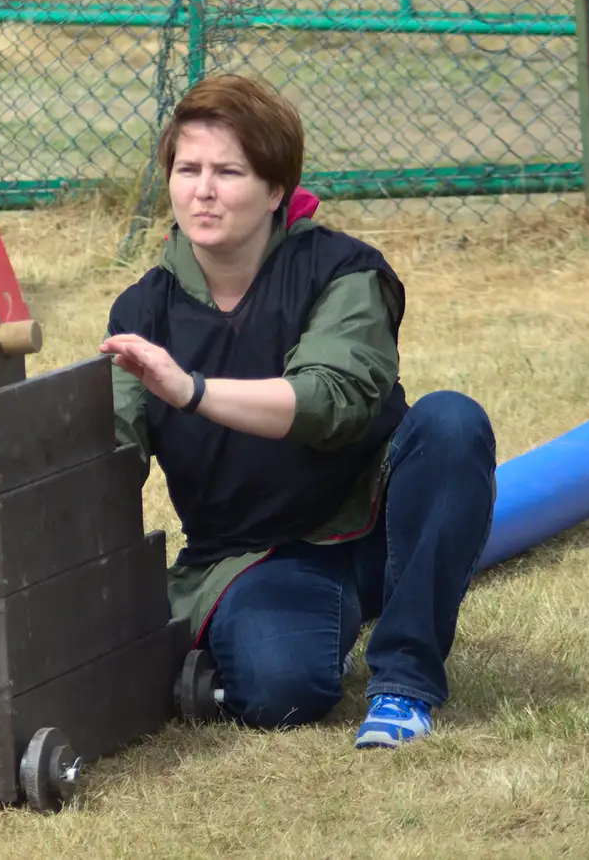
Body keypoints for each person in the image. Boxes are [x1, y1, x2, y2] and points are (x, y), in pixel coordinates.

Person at [101, 75, 496, 749]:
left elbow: (329, 403)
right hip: (257, 555)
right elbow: (107, 457)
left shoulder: (344, 271)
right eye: (187, 168)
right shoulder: (142, 310)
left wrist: (192, 389)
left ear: (276, 189)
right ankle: (311, 630)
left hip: (375, 524)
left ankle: (404, 685)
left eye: (228, 171)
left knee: (453, 423)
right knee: (283, 688)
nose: (203, 189)